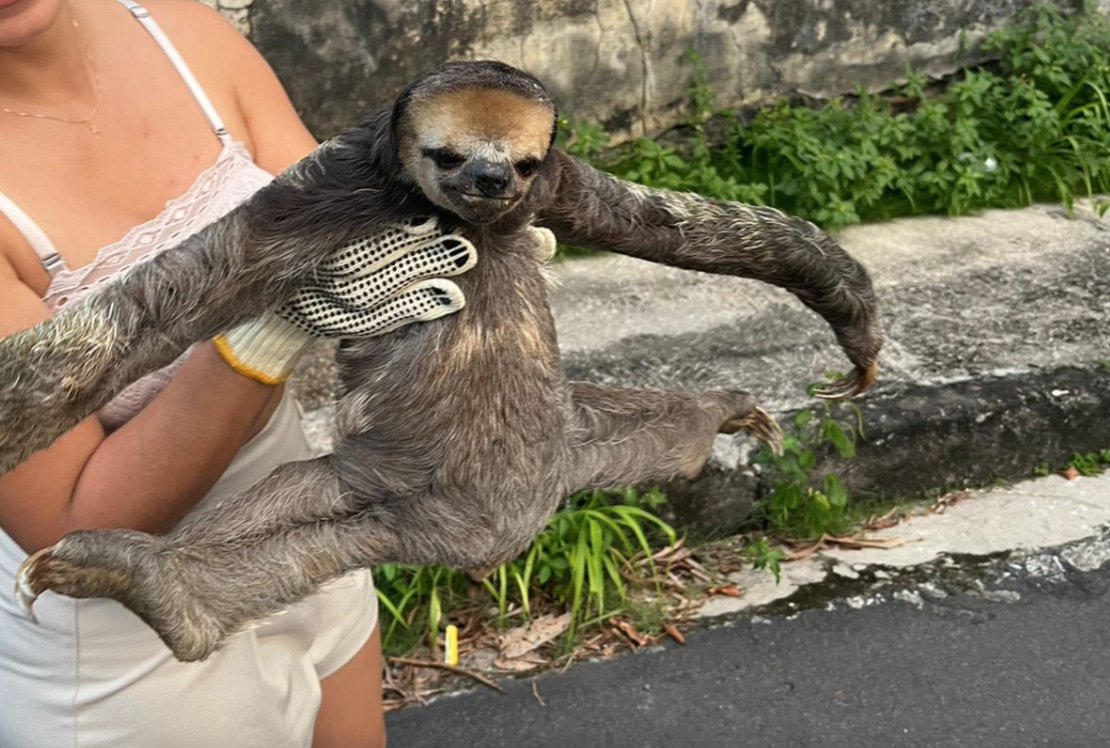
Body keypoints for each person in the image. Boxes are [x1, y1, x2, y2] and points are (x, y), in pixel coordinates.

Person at [0, 0, 469, 745]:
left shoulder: (177, 27)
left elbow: (339, 214)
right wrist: (263, 333)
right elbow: (70, 528)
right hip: (129, 637)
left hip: (299, 530)